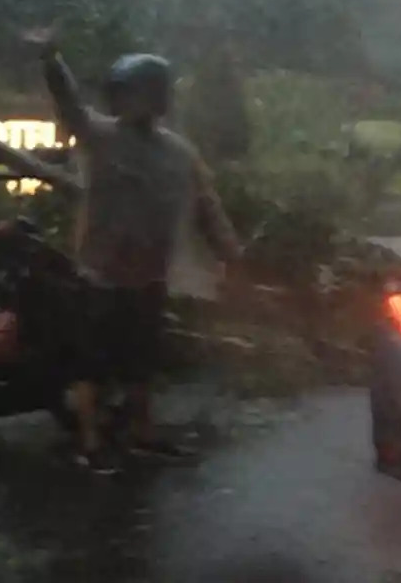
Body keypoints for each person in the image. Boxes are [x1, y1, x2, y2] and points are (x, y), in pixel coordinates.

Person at [24, 26, 243, 474]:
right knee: (93, 364)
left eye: (138, 93)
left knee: (142, 362)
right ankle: (91, 441)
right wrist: (51, 60)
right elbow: (68, 103)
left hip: (148, 277)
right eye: (122, 94)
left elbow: (207, 206)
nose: (128, 102)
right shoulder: (100, 136)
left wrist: (231, 253)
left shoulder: (179, 154)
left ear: (158, 98)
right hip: (98, 275)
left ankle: (142, 432)